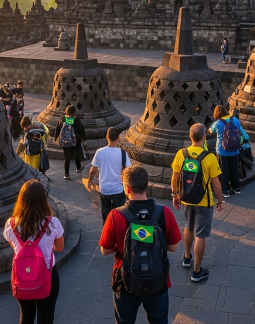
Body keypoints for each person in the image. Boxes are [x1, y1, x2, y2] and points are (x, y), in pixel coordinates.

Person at [100, 166, 181, 324]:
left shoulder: (116, 215)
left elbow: (105, 250)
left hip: (125, 280)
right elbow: (173, 247)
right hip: (157, 279)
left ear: (127, 187)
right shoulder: (164, 212)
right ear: (146, 185)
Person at [4, 180, 64, 324]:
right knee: (46, 317)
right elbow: (60, 248)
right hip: (47, 274)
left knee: (26, 315)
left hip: (21, 276)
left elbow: (15, 247)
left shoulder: (11, 224)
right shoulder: (52, 223)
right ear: (43, 199)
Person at [170, 124, 223, 283]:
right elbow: (217, 184)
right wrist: (220, 200)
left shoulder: (181, 153)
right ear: (204, 137)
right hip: (204, 201)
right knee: (200, 235)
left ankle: (186, 258)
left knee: (188, 226)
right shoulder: (210, 157)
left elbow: (174, 178)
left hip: (186, 197)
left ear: (190, 136)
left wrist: (175, 195)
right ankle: (197, 271)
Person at [87, 127, 129, 222]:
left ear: (107, 137)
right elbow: (128, 170)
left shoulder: (100, 152)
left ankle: (107, 227)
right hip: (118, 189)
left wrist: (90, 180)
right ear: (118, 138)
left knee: (105, 210)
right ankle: (116, 228)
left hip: (104, 188)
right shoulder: (123, 153)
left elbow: (93, 169)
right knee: (118, 213)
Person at [208, 105, 250, 197]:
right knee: (234, 169)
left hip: (222, 151)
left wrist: (209, 130)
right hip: (235, 149)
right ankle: (236, 188)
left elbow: (211, 130)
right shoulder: (235, 120)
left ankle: (225, 190)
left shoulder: (218, 123)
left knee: (224, 170)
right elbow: (241, 131)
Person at [53, 105, 87, 180]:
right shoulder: (76, 120)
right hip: (75, 141)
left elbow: (58, 128)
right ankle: (78, 167)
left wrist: (56, 137)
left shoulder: (63, 118)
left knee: (67, 158)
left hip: (65, 142)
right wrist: (84, 140)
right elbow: (81, 130)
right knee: (77, 153)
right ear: (74, 112)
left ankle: (66, 174)